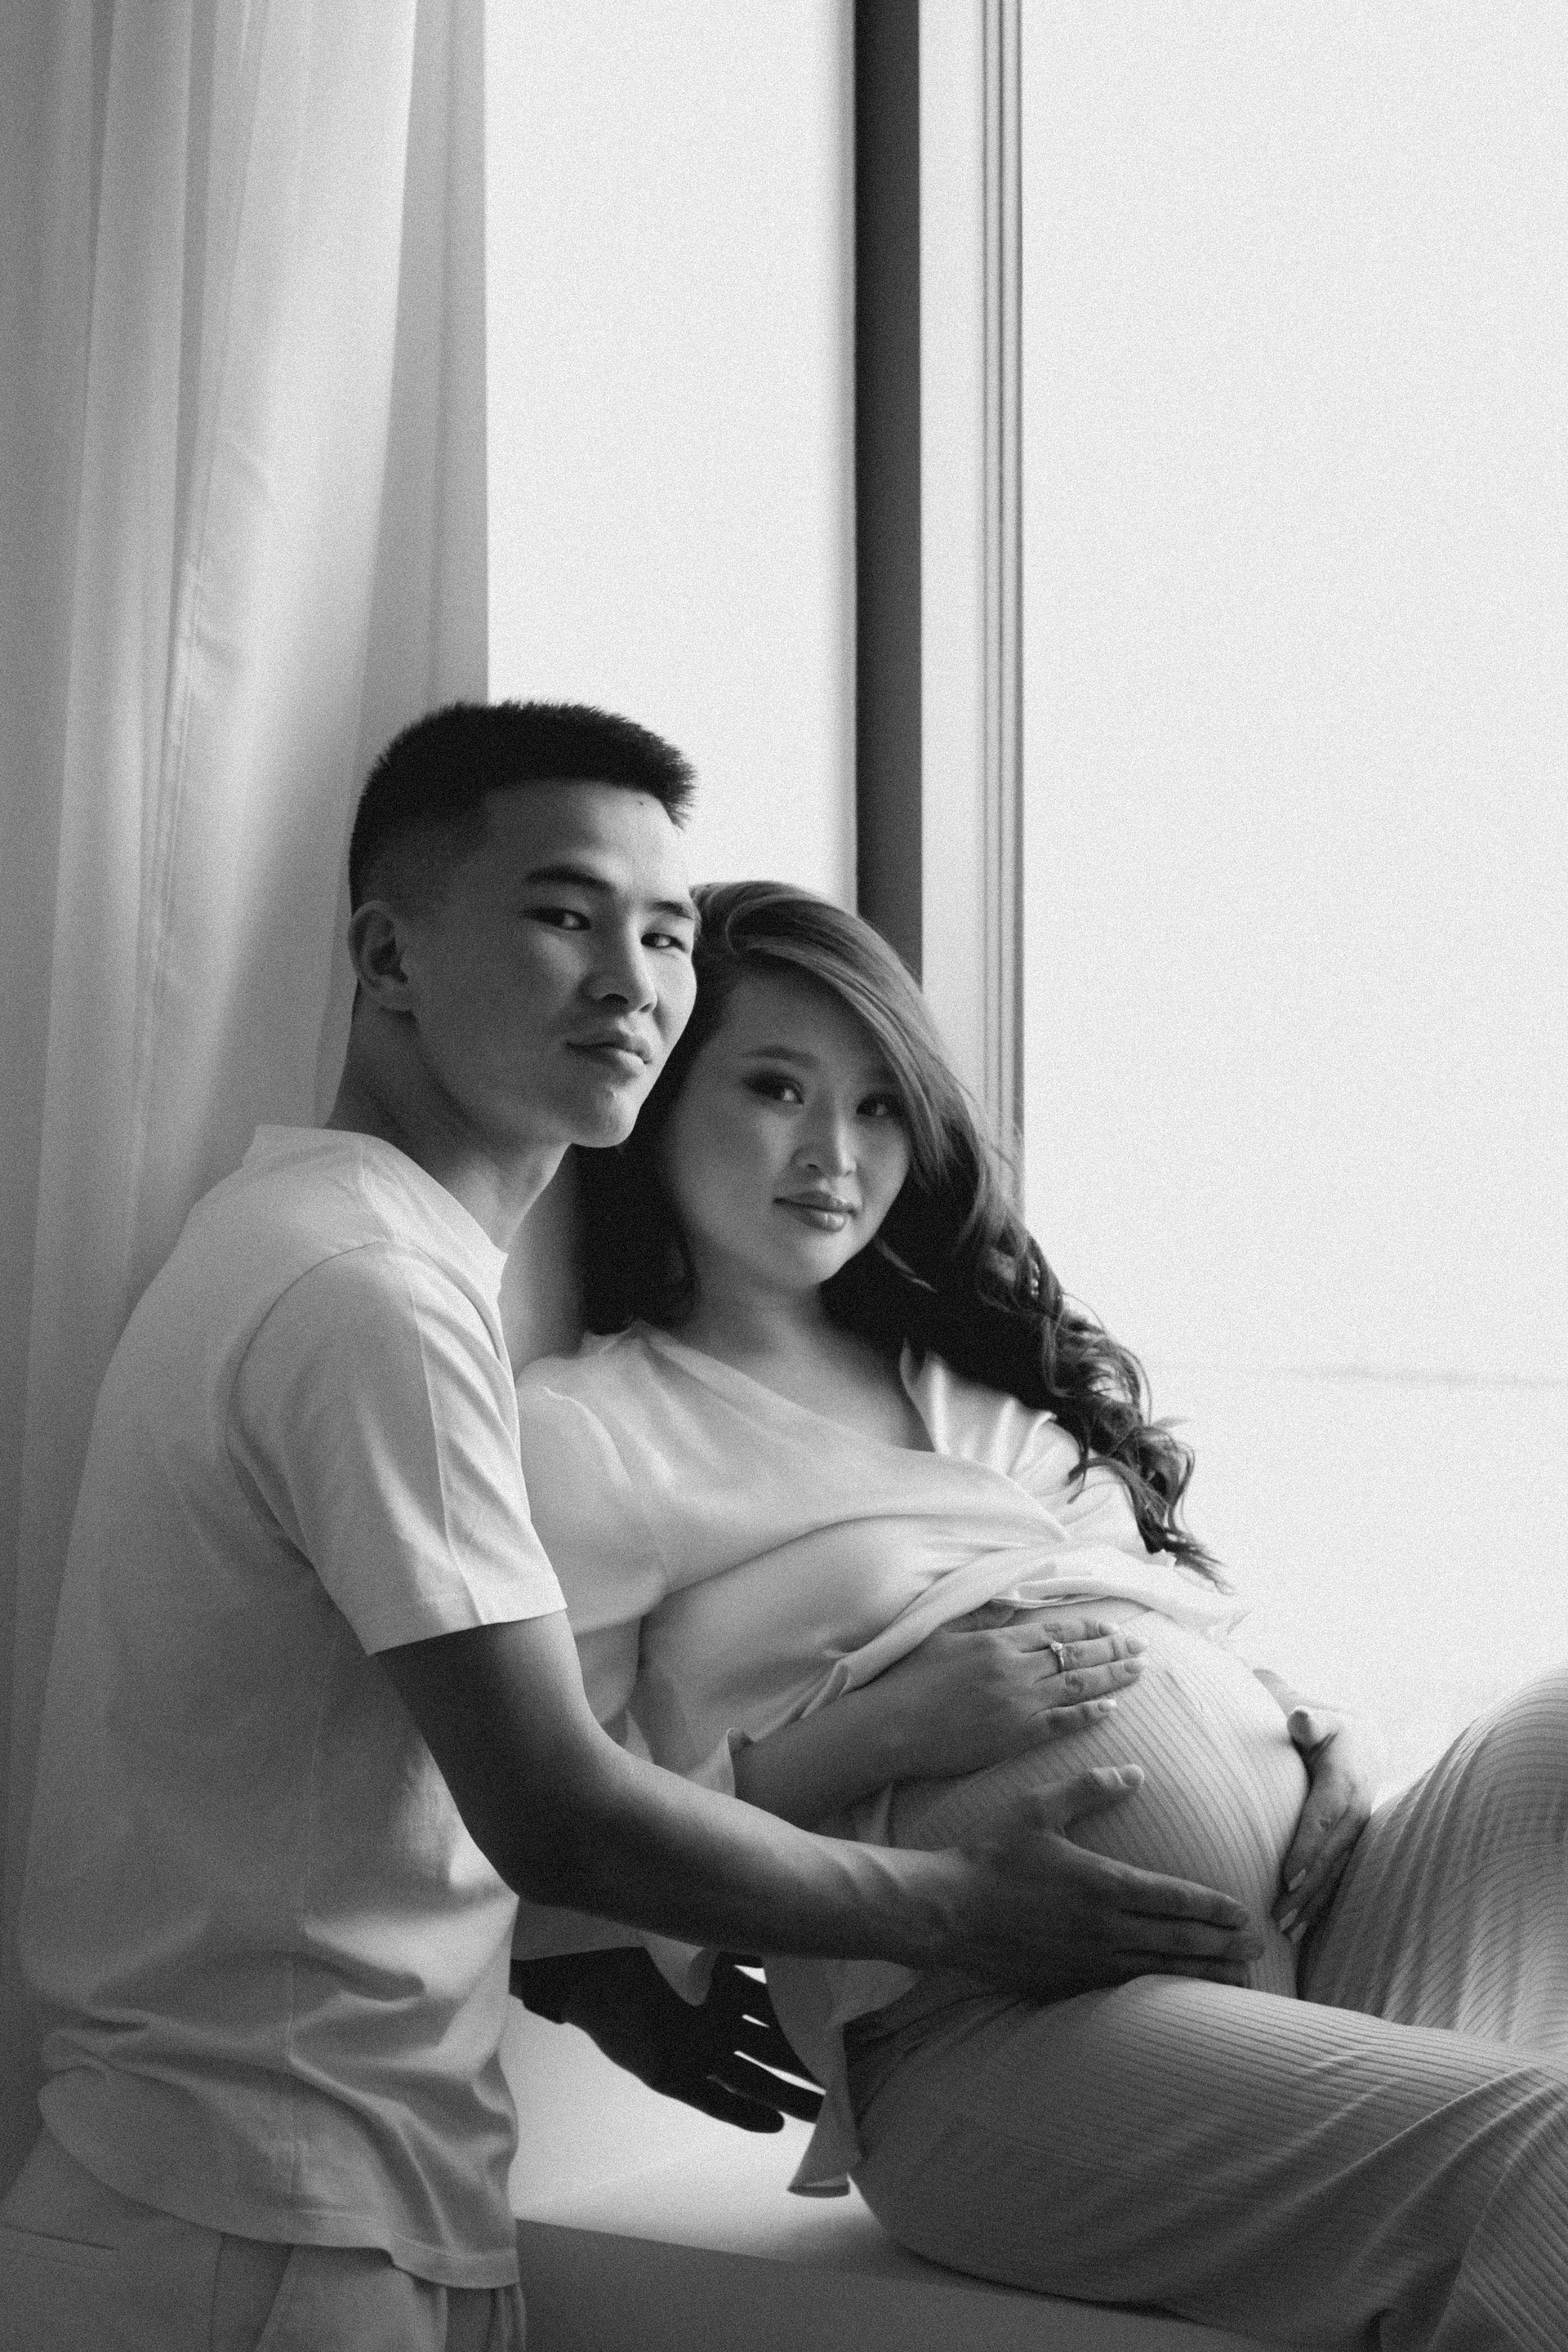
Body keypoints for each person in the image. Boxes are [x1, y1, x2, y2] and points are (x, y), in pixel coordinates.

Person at [0, 706, 1260, 2352]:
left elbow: (424, 1802)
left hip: (323, 2207)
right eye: (563, 914)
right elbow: (557, 1813)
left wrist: (602, 1972)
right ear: (387, 957)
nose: (631, 981)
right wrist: (959, 1906)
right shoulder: (369, 1293)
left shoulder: (346, 1252)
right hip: (260, 2237)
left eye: (665, 933)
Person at [513, 877, 1568, 2352]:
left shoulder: (975, 1371)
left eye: (880, 1106)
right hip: (999, 2037)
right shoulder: (597, 1431)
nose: (835, 1154)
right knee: (1548, 2158)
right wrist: (881, 1733)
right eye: (775, 1089)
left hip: (1309, 1929)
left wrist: (1310, 1731)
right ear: (665, 1098)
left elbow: (1174, 1625)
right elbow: (544, 1857)